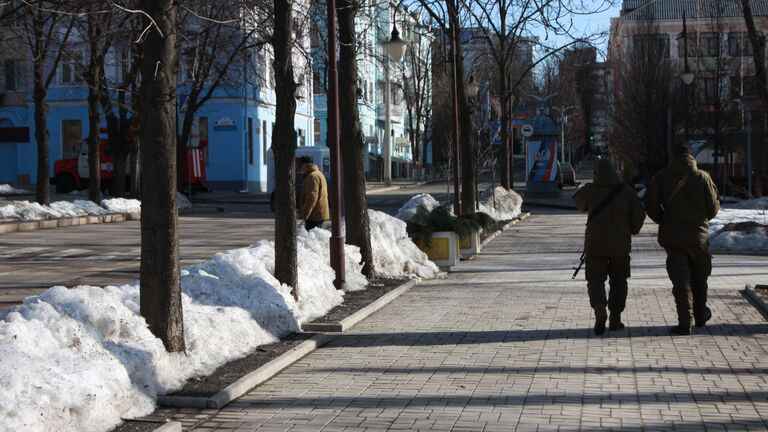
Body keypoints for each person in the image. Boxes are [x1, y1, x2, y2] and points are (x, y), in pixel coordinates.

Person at [644, 142, 720, 336]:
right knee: (700, 278)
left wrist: (665, 220)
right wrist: (699, 221)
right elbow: (713, 208)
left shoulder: (662, 177)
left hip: (674, 239)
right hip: (698, 238)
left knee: (681, 281)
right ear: (691, 157)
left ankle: (685, 323)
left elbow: (650, 204)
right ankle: (701, 316)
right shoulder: (703, 177)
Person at [573, 158, 645, 335]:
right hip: (620, 246)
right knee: (619, 281)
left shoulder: (590, 190)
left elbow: (577, 202)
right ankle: (615, 319)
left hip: (595, 245)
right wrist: (633, 229)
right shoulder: (627, 193)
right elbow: (638, 216)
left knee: (595, 279)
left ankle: (599, 309)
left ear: (596, 172)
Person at [298, 155, 329, 231]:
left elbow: (311, 197)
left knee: (312, 236)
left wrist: (306, 213)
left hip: (314, 215)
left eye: (301, 166)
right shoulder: (319, 174)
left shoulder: (312, 177)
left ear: (305, 165)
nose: (300, 169)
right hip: (319, 213)